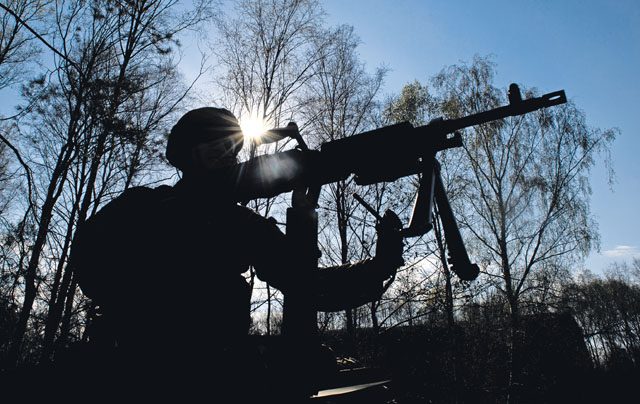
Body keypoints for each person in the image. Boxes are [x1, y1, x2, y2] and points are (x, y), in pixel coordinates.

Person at [68, 107, 404, 399]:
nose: (226, 160)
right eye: (215, 152)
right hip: (140, 373)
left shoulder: (241, 224)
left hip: (215, 375)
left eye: (232, 153)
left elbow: (309, 287)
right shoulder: (144, 207)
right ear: (187, 157)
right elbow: (87, 257)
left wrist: (380, 265)